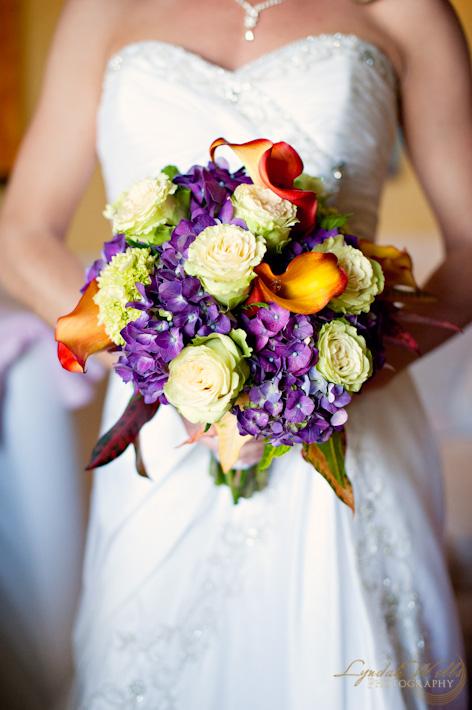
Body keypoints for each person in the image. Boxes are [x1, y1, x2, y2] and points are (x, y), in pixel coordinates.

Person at [0, 0, 471, 707]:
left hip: (350, 423)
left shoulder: (402, 11)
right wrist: (161, 362)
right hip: (167, 436)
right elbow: (22, 232)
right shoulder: (101, 11)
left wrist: (315, 381)